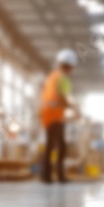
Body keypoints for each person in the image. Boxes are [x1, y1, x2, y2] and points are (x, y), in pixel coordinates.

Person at [40, 49, 78, 184]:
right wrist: (75, 109)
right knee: (61, 146)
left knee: (50, 145)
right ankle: (59, 176)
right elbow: (62, 98)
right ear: (71, 66)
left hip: (47, 114)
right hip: (55, 115)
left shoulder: (52, 76)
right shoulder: (63, 78)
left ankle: (46, 176)